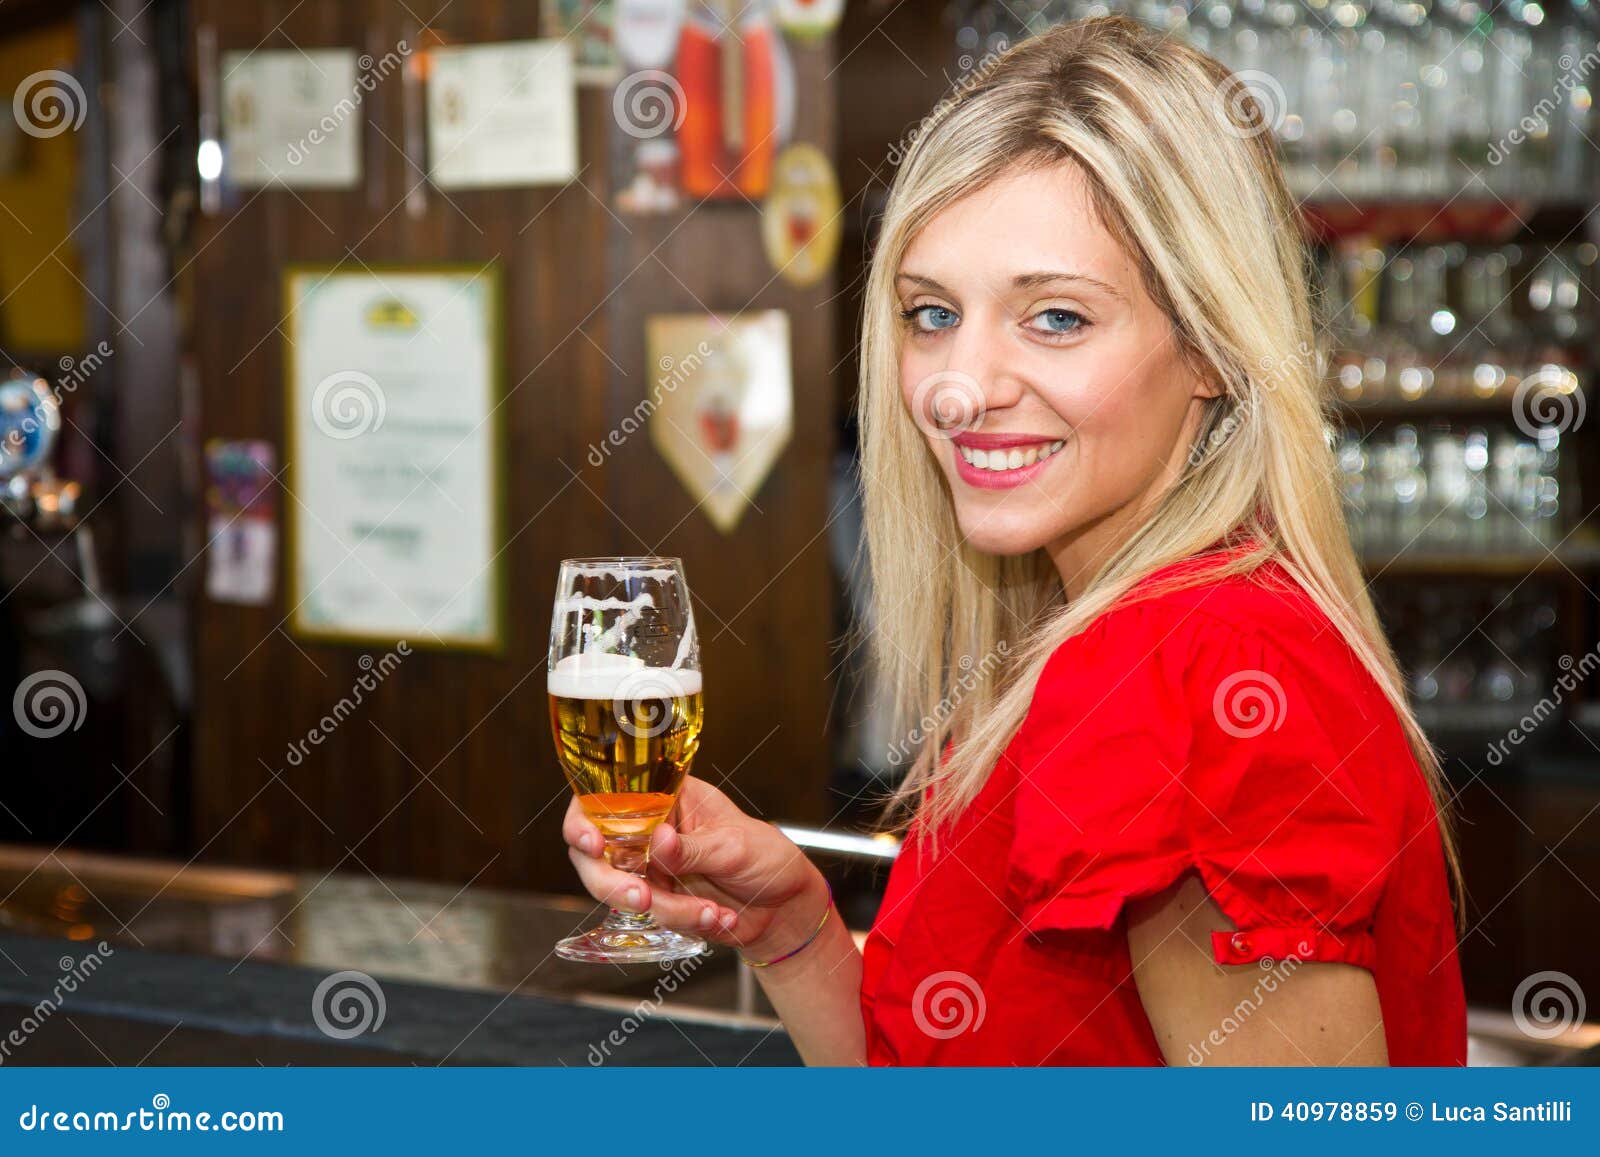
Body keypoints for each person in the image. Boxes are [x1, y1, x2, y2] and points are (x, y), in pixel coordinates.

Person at [563, 14, 1467, 1066]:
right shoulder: (1091, 644)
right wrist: (794, 929)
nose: (957, 389)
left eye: (1056, 318)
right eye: (932, 313)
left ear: (1214, 348)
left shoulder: (1186, 671)